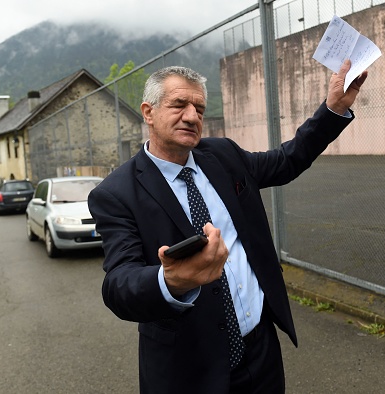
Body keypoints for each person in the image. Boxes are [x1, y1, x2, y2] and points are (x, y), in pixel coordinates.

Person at [88, 61, 367, 394]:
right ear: (148, 112)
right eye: (179, 105)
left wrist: (333, 109)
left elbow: (287, 159)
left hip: (259, 350)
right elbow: (118, 285)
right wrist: (170, 281)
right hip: (188, 370)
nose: (192, 117)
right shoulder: (116, 194)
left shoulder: (223, 155)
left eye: (199, 109)